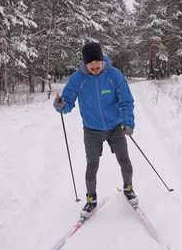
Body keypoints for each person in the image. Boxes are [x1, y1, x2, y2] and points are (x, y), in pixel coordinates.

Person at [53, 42, 136, 218]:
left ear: (102, 60)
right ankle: (91, 200)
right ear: (85, 63)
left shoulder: (114, 75)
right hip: (92, 130)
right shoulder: (78, 78)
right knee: (92, 165)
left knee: (124, 160)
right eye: (91, 66)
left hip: (115, 127)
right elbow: (67, 102)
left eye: (97, 65)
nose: (95, 69)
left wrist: (128, 122)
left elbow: (126, 101)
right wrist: (61, 105)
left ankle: (128, 188)